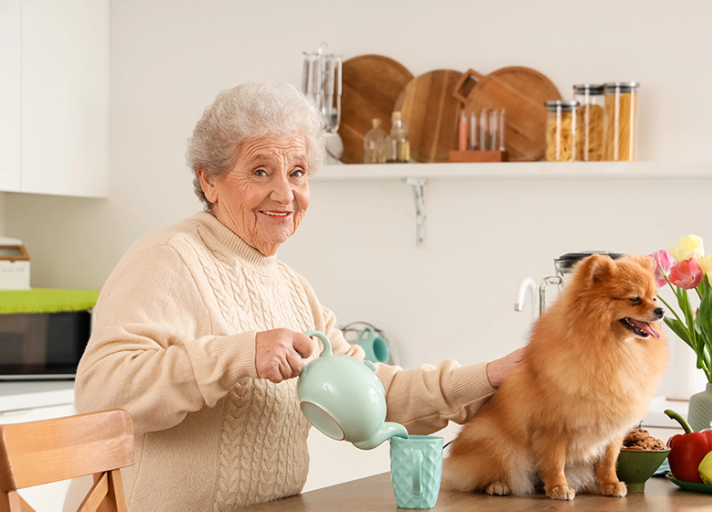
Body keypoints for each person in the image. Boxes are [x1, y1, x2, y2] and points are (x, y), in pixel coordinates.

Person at [64, 81, 525, 512]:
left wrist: (489, 377)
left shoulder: (292, 288)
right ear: (209, 181)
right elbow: (101, 394)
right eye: (260, 170)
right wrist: (240, 355)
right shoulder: (167, 258)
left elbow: (375, 391)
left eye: (297, 172)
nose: (284, 193)